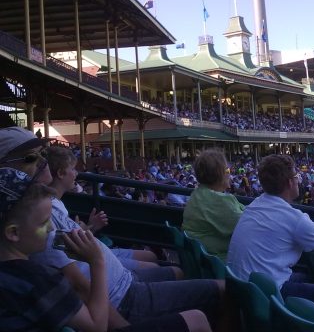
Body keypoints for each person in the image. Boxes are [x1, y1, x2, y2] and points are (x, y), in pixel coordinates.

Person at [0, 127, 228, 331]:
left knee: (182, 277)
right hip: (123, 298)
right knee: (216, 297)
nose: (43, 161)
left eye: (43, 154)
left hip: (122, 283)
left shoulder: (41, 210)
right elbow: (82, 291)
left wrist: (89, 229)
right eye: (31, 158)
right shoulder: (32, 238)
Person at [227, 154, 314, 329]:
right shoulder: (296, 219)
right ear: (290, 183)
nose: (298, 181)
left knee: (310, 277)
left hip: (245, 289)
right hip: (270, 293)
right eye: (296, 177)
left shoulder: (255, 204)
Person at [0, 167, 109, 331]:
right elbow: (97, 326)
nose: (51, 228)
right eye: (44, 223)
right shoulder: (37, 279)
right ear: (13, 232)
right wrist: (97, 261)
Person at [182, 149, 245, 262]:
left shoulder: (197, 195)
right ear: (219, 175)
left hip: (200, 260)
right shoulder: (220, 201)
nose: (230, 173)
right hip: (217, 264)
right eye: (227, 170)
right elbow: (249, 226)